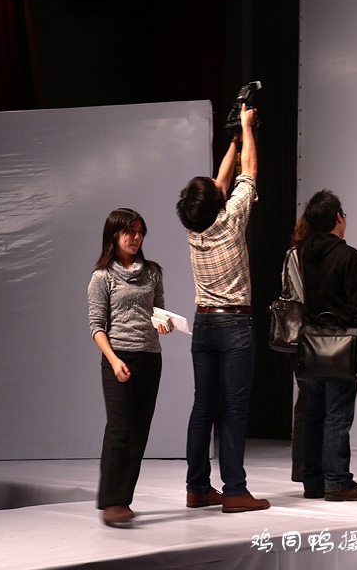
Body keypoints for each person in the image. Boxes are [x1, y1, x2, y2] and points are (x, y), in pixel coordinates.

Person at [176, 104, 269, 513]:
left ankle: (197, 487)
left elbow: (221, 182)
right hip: (234, 325)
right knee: (234, 409)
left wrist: (232, 140)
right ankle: (234, 491)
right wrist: (247, 129)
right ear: (216, 203)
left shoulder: (193, 226)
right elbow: (249, 172)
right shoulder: (230, 220)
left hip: (203, 325)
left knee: (203, 407)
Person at [88, 208, 171, 526]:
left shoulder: (152, 272)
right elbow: (96, 326)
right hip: (118, 357)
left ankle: (124, 499)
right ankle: (112, 502)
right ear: (114, 235)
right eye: (130, 232)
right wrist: (114, 360)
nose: (136, 237)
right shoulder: (102, 277)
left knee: (139, 432)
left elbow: (158, 310)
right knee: (119, 430)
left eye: (140, 231)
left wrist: (163, 322)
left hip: (150, 357)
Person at [298, 190, 357, 501]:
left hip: (312, 342)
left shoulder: (303, 252)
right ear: (338, 218)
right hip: (342, 342)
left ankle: (313, 480)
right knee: (338, 414)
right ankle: (337, 481)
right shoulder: (347, 255)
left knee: (313, 412)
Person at [285, 215, 309, 482]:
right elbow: (302, 294)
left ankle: (308, 466)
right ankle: (302, 466)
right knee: (306, 399)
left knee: (309, 398)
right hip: (302, 335)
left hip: (309, 335)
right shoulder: (295, 254)